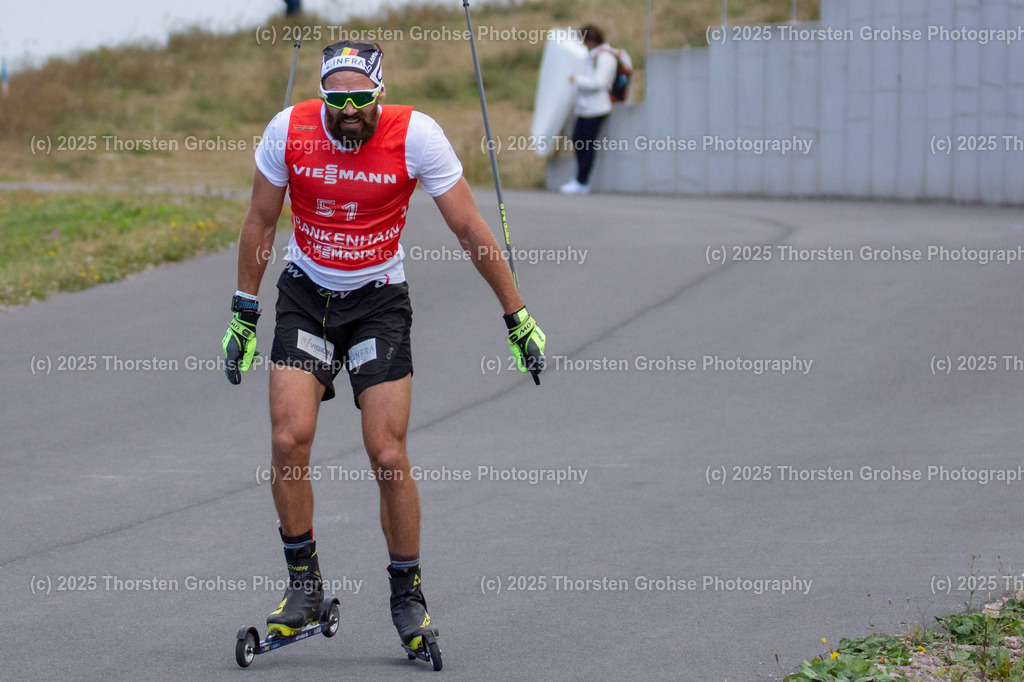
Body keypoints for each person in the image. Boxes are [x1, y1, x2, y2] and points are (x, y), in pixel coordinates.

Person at [221, 41, 546, 660]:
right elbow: (261, 222)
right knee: (289, 438)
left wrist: (516, 314)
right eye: (334, 99)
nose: (347, 111)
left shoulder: (416, 134)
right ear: (322, 97)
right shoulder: (287, 131)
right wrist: (243, 312)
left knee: (387, 451)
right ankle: (304, 588)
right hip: (306, 295)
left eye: (359, 99)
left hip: (377, 301)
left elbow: (469, 227)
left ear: (379, 94)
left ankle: (407, 595)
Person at [561, 24, 618, 195]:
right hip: (585, 109)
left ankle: (582, 181)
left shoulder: (605, 57)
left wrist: (577, 80)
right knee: (579, 141)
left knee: (586, 145)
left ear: (592, 40)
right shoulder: (592, 56)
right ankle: (579, 178)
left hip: (596, 109)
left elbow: (599, 82)